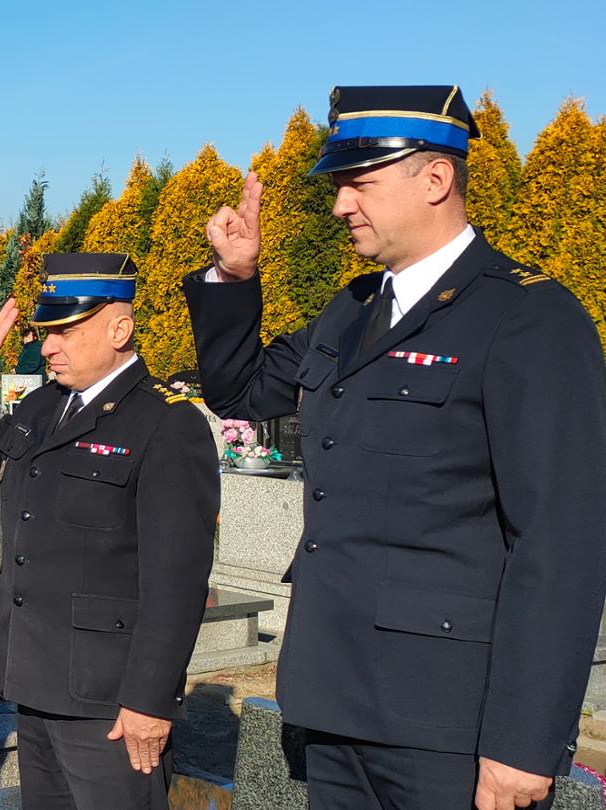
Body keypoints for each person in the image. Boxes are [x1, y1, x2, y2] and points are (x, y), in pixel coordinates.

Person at [185, 85, 606, 810]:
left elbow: (561, 543)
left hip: (451, 726)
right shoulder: (350, 312)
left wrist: (524, 742)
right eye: (340, 185)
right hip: (336, 703)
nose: (342, 203)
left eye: (360, 183)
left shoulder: (529, 319)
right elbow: (242, 393)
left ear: (436, 179)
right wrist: (236, 278)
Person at [0, 254, 217, 809]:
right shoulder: (44, 405)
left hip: (110, 699)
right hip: (35, 677)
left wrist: (150, 702)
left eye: (64, 331)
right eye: (45, 332)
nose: (48, 345)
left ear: (119, 329)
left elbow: (177, 580)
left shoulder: (166, 423)